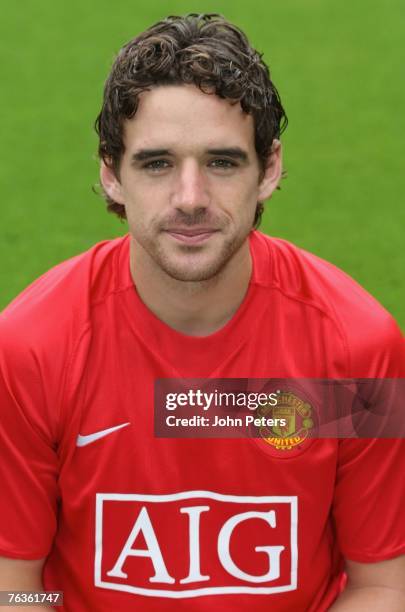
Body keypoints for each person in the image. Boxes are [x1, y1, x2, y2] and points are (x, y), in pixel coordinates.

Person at [0, 13, 404, 612]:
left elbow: (381, 583)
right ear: (111, 173)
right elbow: (16, 586)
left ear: (268, 169)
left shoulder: (356, 350)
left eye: (221, 162)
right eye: (157, 163)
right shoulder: (33, 347)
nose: (191, 199)